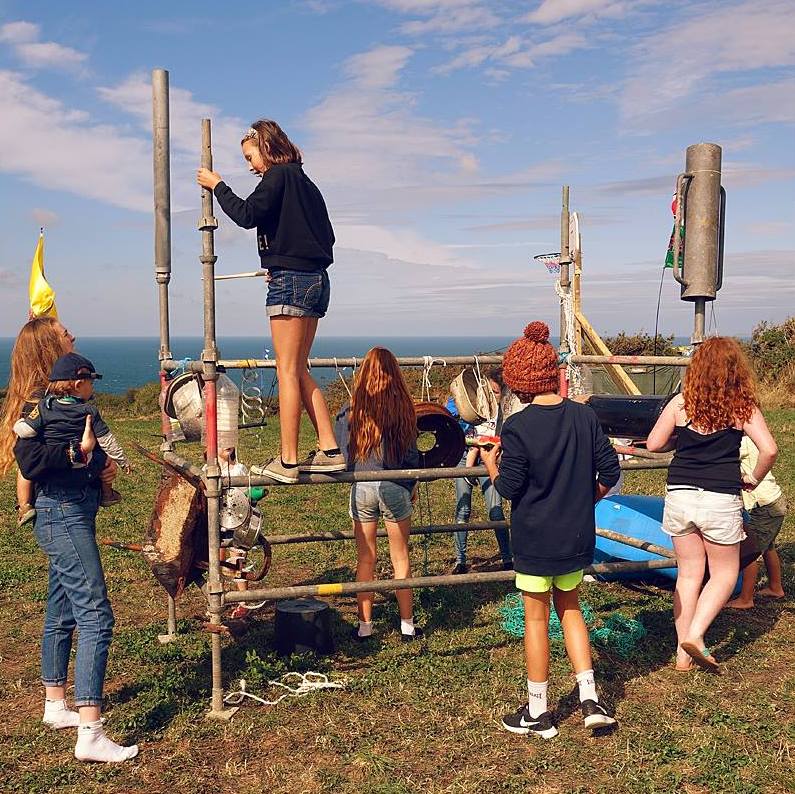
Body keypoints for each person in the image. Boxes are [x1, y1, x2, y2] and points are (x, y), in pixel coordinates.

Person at [482, 322, 620, 739]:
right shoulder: (583, 416)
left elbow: (509, 488)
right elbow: (609, 471)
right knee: (571, 609)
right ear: (552, 374)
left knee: (536, 619)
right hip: (575, 536)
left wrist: (490, 462)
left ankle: (538, 711)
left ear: (518, 383)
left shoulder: (518, 427)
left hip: (535, 540)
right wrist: (583, 501)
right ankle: (590, 700)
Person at [197, 120, 343, 484]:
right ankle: (330, 451)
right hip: (316, 281)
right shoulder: (306, 184)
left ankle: (288, 461)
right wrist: (284, 259)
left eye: (250, 157)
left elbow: (248, 215)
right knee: (299, 368)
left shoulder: (277, 176)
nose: (250, 166)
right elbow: (326, 238)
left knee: (286, 370)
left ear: (266, 147)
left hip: (291, 282)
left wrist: (218, 186)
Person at [647, 337, 777, 672]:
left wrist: (680, 439)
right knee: (724, 573)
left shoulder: (680, 403)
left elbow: (654, 443)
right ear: (736, 369)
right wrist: (754, 478)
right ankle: (696, 634)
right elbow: (769, 449)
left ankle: (682, 657)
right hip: (720, 497)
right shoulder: (742, 406)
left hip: (680, 494)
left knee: (688, 575)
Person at [334, 347, 423, 642]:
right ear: (395, 373)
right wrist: (411, 485)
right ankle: (407, 626)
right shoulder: (404, 409)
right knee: (401, 557)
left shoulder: (350, 410)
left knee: (365, 559)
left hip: (361, 486)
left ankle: (365, 627)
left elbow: (343, 453)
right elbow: (411, 455)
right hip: (395, 485)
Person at [14, 353, 129, 507]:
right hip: (82, 465)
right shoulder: (89, 411)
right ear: (78, 385)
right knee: (103, 460)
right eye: (91, 384)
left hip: (53, 465)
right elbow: (106, 440)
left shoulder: (44, 406)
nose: (92, 388)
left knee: (22, 473)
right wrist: (122, 460)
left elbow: (26, 431)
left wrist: (19, 423)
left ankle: (24, 505)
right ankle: (107, 494)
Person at [447, 368, 512, 573]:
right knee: (463, 509)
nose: (492, 395)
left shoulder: (504, 413)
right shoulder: (473, 402)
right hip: (465, 455)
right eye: (489, 390)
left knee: (496, 511)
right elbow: (449, 410)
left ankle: (507, 558)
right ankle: (460, 561)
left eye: (496, 392)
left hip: (488, 459)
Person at [726, 436, 787, 609]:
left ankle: (746, 599)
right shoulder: (755, 439)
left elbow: (720, 455)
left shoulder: (743, 442)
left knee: (749, 551)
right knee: (768, 547)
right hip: (772, 502)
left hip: (763, 506)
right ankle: (775, 587)